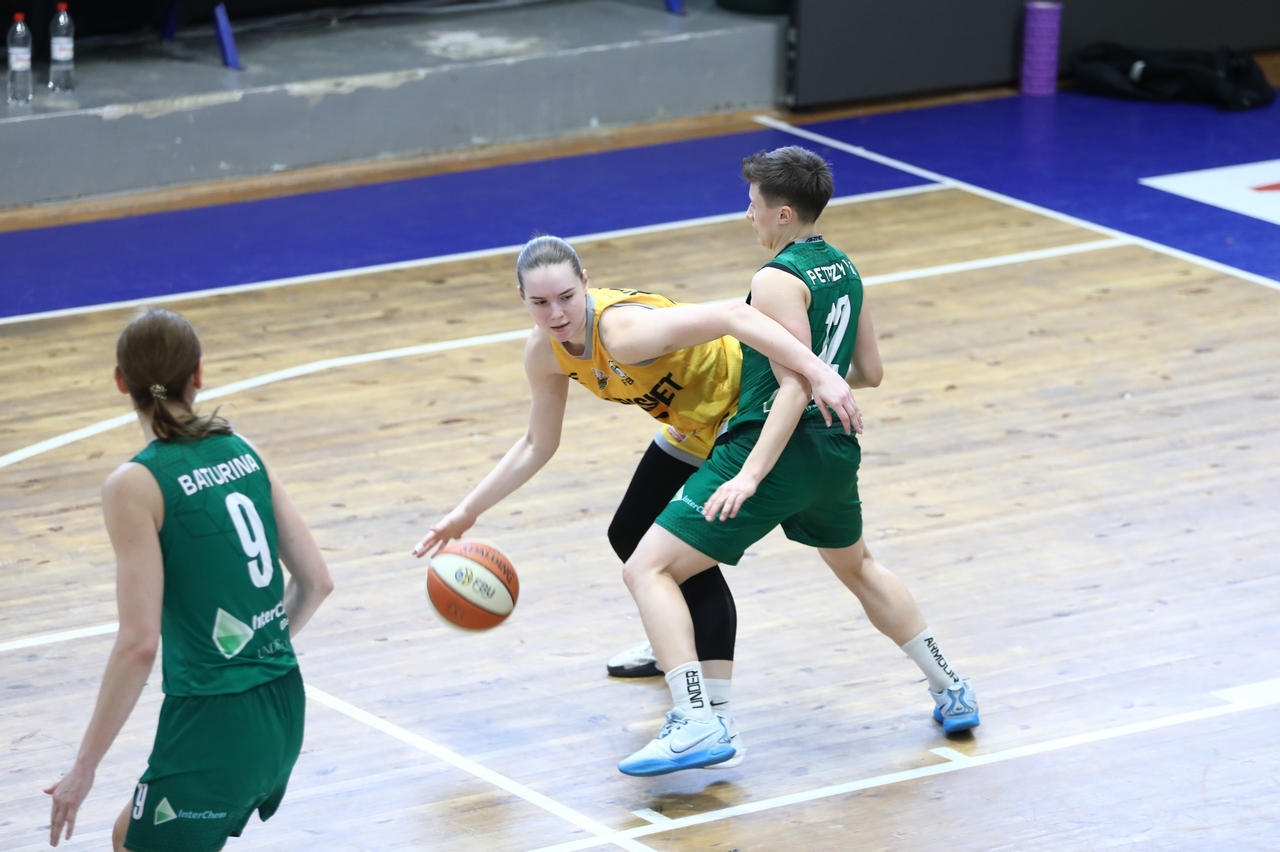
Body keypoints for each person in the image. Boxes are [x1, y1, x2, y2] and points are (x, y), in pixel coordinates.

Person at [412, 235, 861, 768]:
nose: (556, 314)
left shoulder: (623, 332)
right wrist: (465, 512)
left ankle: (710, 714)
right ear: (521, 299)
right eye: (540, 302)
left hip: (741, 409)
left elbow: (733, 315)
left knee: (671, 560)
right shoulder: (545, 351)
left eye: (566, 297)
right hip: (692, 423)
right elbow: (537, 443)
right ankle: (673, 633)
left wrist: (819, 372)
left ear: (585, 284)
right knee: (629, 532)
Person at [617, 146, 979, 777]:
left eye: (753, 204)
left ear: (783, 213)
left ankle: (698, 718)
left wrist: (749, 474)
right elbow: (869, 372)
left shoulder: (775, 279)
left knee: (647, 568)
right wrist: (821, 380)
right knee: (860, 567)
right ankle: (951, 687)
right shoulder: (845, 268)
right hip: (835, 451)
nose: (747, 214)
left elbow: (793, 385)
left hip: (773, 449)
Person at [45, 309, 335, 851]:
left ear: (121, 381)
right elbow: (317, 582)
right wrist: (255, 651)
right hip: (283, 704)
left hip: (213, 717)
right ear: (197, 374)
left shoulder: (133, 485)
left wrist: (83, 768)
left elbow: (138, 645)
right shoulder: (242, 450)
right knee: (129, 837)